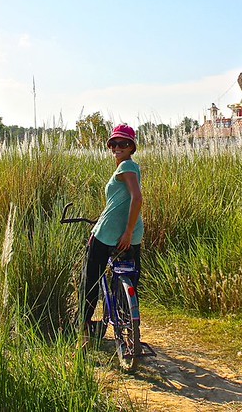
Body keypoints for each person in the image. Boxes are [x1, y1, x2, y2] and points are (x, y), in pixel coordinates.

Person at [80, 124, 144, 343]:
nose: (117, 147)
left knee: (90, 280)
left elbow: (137, 198)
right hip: (131, 234)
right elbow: (118, 203)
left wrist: (124, 231)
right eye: (113, 143)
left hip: (111, 234)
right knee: (130, 279)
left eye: (123, 144)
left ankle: (84, 332)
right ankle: (129, 331)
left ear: (131, 147)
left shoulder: (126, 166)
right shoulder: (131, 167)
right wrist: (128, 232)